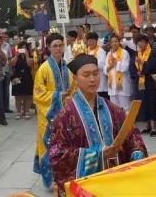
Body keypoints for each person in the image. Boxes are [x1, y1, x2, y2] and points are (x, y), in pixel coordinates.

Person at [48, 54, 147, 195]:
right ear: (75, 79)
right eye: (86, 75)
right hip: (87, 186)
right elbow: (56, 155)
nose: (92, 79)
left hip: (116, 182)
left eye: (96, 74)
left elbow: (132, 136)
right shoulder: (65, 116)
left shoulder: (114, 109)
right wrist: (98, 154)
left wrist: (137, 155)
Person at [33, 32, 71, 189]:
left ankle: (64, 176)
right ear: (48, 48)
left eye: (61, 45)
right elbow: (38, 93)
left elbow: (73, 88)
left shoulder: (67, 67)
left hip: (66, 114)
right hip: (48, 115)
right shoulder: (43, 68)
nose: (58, 48)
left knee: (66, 145)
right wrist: (58, 96)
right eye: (55, 46)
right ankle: (51, 181)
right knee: (49, 145)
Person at [135, 35, 156, 136]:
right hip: (141, 81)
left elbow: (153, 66)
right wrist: (138, 72)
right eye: (138, 42)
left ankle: (154, 127)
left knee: (151, 102)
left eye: (142, 42)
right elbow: (134, 67)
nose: (140, 44)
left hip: (150, 81)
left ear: (147, 42)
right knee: (143, 103)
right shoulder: (138, 53)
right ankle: (147, 125)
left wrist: (143, 64)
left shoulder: (153, 52)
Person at [106, 35, 132, 112]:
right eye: (112, 42)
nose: (114, 43)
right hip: (112, 84)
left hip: (123, 84)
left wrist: (116, 63)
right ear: (110, 43)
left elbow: (125, 67)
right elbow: (105, 69)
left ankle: (128, 123)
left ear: (119, 42)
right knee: (114, 107)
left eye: (116, 41)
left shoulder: (124, 52)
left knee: (126, 107)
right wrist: (111, 65)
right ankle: (118, 123)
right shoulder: (108, 54)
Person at [10, 41, 34, 120]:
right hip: (16, 77)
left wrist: (27, 55)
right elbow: (12, 64)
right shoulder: (16, 56)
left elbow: (30, 64)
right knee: (18, 96)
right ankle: (18, 112)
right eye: (22, 47)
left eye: (25, 47)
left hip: (27, 77)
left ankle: (27, 111)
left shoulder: (30, 55)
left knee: (27, 95)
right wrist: (17, 55)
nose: (23, 49)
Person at [85, 32, 108, 100]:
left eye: (93, 40)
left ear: (96, 41)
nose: (91, 42)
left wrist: (91, 62)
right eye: (89, 41)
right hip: (89, 82)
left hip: (100, 83)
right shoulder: (86, 51)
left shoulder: (101, 51)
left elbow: (102, 65)